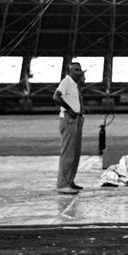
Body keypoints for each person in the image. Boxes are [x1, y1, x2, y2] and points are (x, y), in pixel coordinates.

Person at [53, 60, 86, 193]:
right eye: (76, 70)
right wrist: (70, 109)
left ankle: (70, 181)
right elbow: (56, 97)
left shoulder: (75, 84)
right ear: (69, 72)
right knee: (68, 153)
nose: (79, 71)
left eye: (80, 69)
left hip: (77, 119)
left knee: (75, 152)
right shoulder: (66, 82)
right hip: (69, 118)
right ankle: (62, 185)